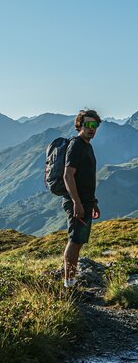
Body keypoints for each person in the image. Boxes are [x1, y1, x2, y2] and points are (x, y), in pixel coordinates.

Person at [62, 109, 101, 288]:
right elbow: (68, 176)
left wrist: (93, 202)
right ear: (80, 125)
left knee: (78, 242)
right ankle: (69, 285)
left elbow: (86, 177)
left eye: (95, 125)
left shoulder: (87, 146)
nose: (92, 128)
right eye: (88, 124)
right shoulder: (76, 145)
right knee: (75, 240)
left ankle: (71, 282)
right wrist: (77, 202)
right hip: (76, 203)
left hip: (85, 202)